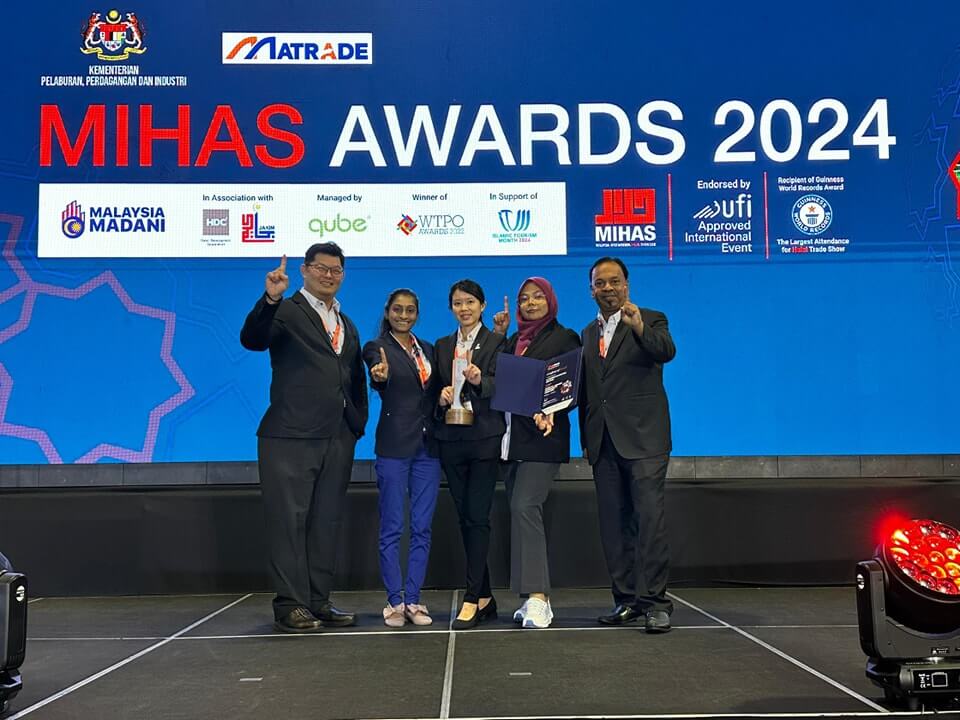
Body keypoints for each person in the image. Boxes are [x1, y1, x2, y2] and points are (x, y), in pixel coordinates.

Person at [240, 242, 368, 633]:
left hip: (337, 437)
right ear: (305, 270)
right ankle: (290, 604)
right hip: (290, 435)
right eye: (321, 268)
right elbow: (253, 338)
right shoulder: (286, 310)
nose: (329, 276)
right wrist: (270, 298)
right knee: (288, 522)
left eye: (336, 270)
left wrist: (355, 424)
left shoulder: (345, 322)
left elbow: (352, 377)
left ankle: (317, 600)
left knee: (325, 520)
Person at [579, 257, 676, 634]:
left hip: (644, 440)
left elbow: (665, 351)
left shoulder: (650, 319)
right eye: (600, 283)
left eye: (614, 281)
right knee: (613, 526)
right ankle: (626, 600)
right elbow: (589, 391)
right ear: (591, 290)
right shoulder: (588, 333)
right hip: (603, 442)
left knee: (649, 521)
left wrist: (638, 327)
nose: (608, 288)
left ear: (627, 285)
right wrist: (585, 438)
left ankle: (655, 603)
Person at [495, 277, 581, 629]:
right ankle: (527, 596)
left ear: (550, 301)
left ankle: (539, 597)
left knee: (524, 506)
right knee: (519, 512)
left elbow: (572, 386)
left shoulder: (564, 337)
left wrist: (552, 410)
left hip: (543, 439)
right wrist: (498, 336)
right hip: (512, 440)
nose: (530, 303)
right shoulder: (514, 340)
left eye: (537, 297)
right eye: (524, 299)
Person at [362, 289, 441, 627]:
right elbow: (377, 372)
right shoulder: (376, 347)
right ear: (387, 312)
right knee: (393, 527)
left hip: (429, 449)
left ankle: (414, 600)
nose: (404, 315)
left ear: (417, 314)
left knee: (422, 527)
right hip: (394, 447)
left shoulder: (429, 349)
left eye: (410, 310)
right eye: (398, 309)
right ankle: (394, 600)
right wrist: (378, 375)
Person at [434, 279, 506, 630]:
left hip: (484, 439)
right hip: (451, 438)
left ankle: (472, 597)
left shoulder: (497, 342)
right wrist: (441, 397)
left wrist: (480, 381)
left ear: (482, 305)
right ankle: (486, 596)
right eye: (458, 303)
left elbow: (504, 384)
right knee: (466, 518)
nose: (464, 308)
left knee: (477, 517)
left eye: (470, 302)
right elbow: (432, 390)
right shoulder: (442, 345)